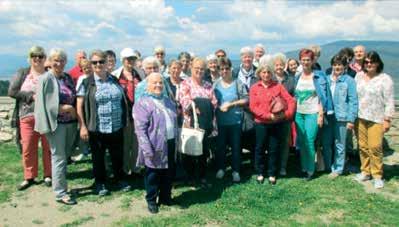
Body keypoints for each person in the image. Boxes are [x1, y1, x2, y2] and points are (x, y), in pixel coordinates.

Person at [76, 50, 130, 196]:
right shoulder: (87, 82)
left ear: (107, 63)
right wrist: (83, 126)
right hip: (97, 127)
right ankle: (100, 183)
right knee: (98, 157)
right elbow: (79, 105)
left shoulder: (114, 79)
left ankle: (120, 179)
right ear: (91, 64)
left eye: (101, 61)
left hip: (116, 125)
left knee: (117, 155)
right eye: (95, 62)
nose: (98, 65)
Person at [34, 48, 77, 205]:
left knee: (65, 156)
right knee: (58, 157)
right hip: (56, 124)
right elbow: (42, 104)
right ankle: (60, 193)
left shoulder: (67, 78)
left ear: (65, 62)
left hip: (70, 123)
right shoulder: (45, 78)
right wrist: (63, 108)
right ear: (50, 62)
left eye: (62, 60)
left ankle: (62, 185)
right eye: (55, 60)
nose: (59, 63)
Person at [133, 72, 178, 214]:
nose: (158, 85)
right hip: (153, 145)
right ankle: (151, 200)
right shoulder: (142, 103)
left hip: (170, 143)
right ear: (148, 86)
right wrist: (147, 149)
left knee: (168, 172)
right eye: (154, 83)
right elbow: (140, 129)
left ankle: (165, 197)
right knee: (153, 174)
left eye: (160, 83)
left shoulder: (168, 100)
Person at [8, 46, 51, 190]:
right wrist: (30, 97)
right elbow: (12, 91)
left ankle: (48, 175)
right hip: (26, 116)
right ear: (30, 58)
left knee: (48, 147)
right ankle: (29, 176)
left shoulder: (49, 74)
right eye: (34, 56)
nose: (37, 59)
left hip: (46, 116)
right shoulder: (23, 73)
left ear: (45, 58)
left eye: (40, 56)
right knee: (27, 147)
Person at [354, 51, 395, 189]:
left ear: (378, 63)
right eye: (366, 62)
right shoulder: (359, 76)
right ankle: (365, 172)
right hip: (360, 117)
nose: (369, 64)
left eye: (372, 61)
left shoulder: (385, 79)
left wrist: (388, 119)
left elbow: (389, 101)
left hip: (377, 118)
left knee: (375, 147)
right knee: (363, 147)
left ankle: (377, 175)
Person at [250, 64, 296, 185]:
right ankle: (260, 172)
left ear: (272, 74)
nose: (266, 75)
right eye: (263, 72)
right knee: (259, 148)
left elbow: (290, 100)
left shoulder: (278, 86)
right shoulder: (255, 88)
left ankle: (271, 173)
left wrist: (287, 114)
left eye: (268, 72)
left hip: (276, 124)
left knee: (273, 149)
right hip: (260, 123)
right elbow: (253, 107)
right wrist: (268, 116)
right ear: (259, 73)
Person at [295, 49, 333, 181]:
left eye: (308, 60)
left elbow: (324, 97)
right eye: (303, 59)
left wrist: (321, 115)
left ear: (312, 61)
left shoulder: (319, 76)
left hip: (312, 113)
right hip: (299, 113)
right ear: (300, 60)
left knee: (309, 141)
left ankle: (310, 170)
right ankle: (303, 167)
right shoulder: (297, 77)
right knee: (301, 141)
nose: (305, 62)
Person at [179, 57, 217, 186]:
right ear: (191, 68)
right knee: (190, 150)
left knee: (203, 151)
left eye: (202, 69)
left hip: (205, 122)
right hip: (191, 122)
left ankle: (202, 176)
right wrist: (195, 105)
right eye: (197, 68)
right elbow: (183, 100)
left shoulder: (208, 85)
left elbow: (214, 102)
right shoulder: (185, 83)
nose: (199, 71)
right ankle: (189, 176)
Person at [322, 54, 358, 178]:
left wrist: (351, 119)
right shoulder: (326, 79)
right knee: (326, 143)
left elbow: (353, 101)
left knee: (340, 144)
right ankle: (327, 166)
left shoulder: (349, 81)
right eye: (335, 64)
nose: (337, 67)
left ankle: (338, 169)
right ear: (332, 65)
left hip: (342, 117)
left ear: (345, 66)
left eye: (340, 65)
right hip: (327, 116)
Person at [213, 57, 248, 182]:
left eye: (226, 68)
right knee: (221, 147)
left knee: (236, 147)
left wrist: (232, 104)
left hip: (235, 122)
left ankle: (236, 171)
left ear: (230, 69)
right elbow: (212, 100)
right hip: (220, 123)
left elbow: (245, 99)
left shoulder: (237, 83)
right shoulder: (216, 84)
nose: (224, 71)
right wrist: (218, 106)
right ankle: (221, 168)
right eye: (221, 69)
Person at [112, 48, 142, 175]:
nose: (130, 61)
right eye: (128, 59)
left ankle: (135, 168)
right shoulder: (115, 76)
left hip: (138, 114)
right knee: (124, 143)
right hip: (123, 114)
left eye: (133, 59)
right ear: (123, 60)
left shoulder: (140, 74)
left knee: (137, 142)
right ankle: (124, 169)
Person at [233, 46, 258, 168]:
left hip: (254, 110)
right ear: (241, 58)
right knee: (238, 137)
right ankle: (239, 165)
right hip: (238, 109)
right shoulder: (234, 72)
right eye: (244, 56)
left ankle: (255, 164)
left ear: (253, 58)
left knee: (254, 136)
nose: (247, 59)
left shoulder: (258, 72)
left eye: (249, 56)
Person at [272, 53, 296, 176]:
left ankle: (283, 167)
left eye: (281, 65)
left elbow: (294, 97)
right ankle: (273, 166)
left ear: (284, 65)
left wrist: (289, 112)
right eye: (276, 65)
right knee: (273, 142)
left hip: (286, 116)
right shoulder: (270, 80)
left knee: (285, 143)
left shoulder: (290, 80)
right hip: (272, 117)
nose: (279, 67)